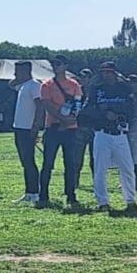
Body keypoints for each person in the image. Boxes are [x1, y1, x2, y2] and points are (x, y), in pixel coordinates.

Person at [81, 62, 137, 216]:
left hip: (120, 133)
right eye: (104, 72)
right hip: (102, 133)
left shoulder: (124, 88)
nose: (106, 75)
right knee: (100, 169)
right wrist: (103, 114)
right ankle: (103, 202)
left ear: (115, 73)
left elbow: (131, 109)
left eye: (109, 72)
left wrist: (118, 115)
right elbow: (87, 110)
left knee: (127, 169)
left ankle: (131, 201)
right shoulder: (96, 90)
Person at [38, 56, 86, 210]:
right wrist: (61, 120)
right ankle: (43, 195)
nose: (55, 66)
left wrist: (69, 121)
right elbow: (47, 106)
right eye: (53, 64)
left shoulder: (74, 85)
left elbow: (78, 105)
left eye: (58, 64)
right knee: (48, 163)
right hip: (53, 128)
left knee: (70, 164)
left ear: (65, 65)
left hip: (70, 129)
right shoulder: (47, 85)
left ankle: (70, 194)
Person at [9, 61, 43, 204]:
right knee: (25, 161)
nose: (15, 74)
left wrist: (36, 126)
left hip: (28, 128)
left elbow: (40, 106)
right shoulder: (22, 86)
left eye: (17, 72)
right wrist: (17, 78)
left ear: (26, 71)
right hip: (19, 127)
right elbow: (10, 84)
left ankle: (34, 192)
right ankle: (28, 192)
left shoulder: (34, 85)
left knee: (29, 161)